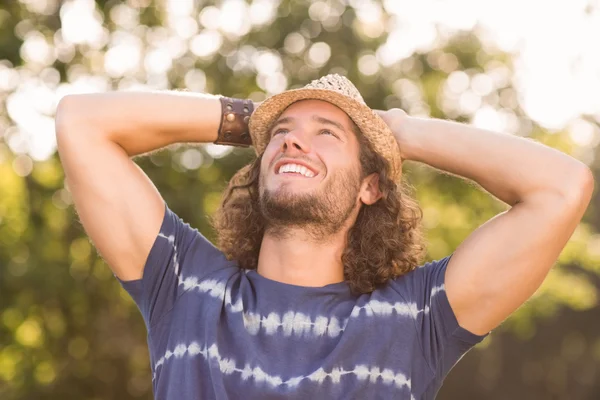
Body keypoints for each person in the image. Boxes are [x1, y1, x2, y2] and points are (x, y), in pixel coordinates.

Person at [55, 74, 593, 399]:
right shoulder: (184, 288)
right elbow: (80, 121)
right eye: (282, 137)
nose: (293, 144)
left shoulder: (416, 319)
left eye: (325, 135)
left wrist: (399, 133)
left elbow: (562, 187)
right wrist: (251, 120)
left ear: (370, 186)